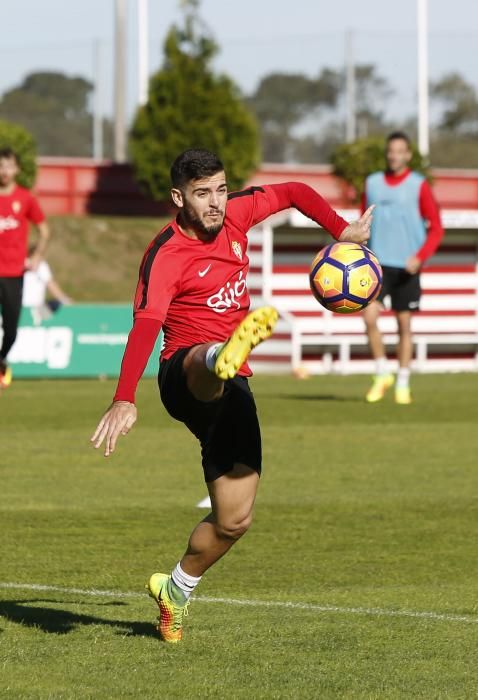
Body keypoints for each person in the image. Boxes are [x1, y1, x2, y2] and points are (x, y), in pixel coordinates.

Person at [91, 148, 373, 643]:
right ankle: (219, 353)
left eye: (221, 190)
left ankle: (175, 589)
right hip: (182, 372)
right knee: (205, 359)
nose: (217, 203)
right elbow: (146, 327)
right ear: (179, 197)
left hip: (234, 383)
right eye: (203, 194)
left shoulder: (237, 214)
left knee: (234, 519)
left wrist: (340, 228)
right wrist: (123, 397)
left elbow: (292, 192)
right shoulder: (165, 254)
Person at [362, 132, 444, 404]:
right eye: (391, 151)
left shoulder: (419, 185)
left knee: (404, 325)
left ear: (408, 155)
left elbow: (436, 228)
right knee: (369, 317)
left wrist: (420, 257)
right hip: (377, 264)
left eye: (399, 151)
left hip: (407, 267)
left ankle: (403, 382)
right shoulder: (372, 183)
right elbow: (363, 223)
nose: (394, 155)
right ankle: (382, 372)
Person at [0, 147, 49, 388]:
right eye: (0, 166)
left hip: (12, 274)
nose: (4, 171)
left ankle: (1, 360)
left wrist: (37, 256)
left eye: (8, 166)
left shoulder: (25, 198)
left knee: (11, 331)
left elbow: (44, 231)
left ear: (16, 169)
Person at [22, 251, 72, 325]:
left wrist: (64, 299)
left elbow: (51, 284)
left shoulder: (42, 266)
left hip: (38, 309)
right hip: (20, 309)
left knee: (55, 304)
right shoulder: (20, 264)